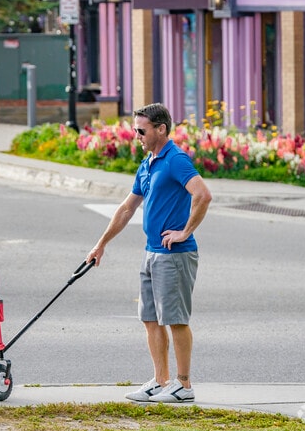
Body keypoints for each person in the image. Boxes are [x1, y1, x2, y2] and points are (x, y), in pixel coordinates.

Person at [85, 103, 212, 404]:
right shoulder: (148, 163)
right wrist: (101, 244)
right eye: (135, 130)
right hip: (151, 252)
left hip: (175, 254)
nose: (137, 135)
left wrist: (185, 231)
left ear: (161, 129)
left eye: (141, 130)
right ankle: (160, 381)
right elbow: (127, 208)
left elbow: (203, 194)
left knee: (176, 320)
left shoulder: (175, 160)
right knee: (150, 319)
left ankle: (184, 385)